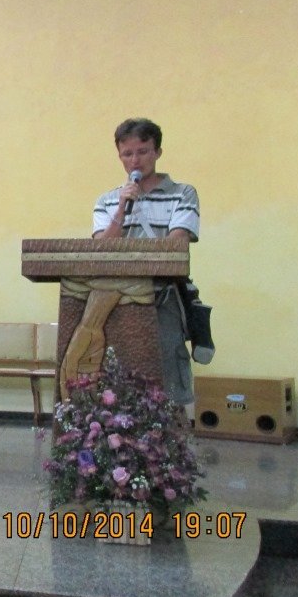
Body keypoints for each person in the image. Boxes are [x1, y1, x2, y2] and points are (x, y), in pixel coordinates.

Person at [92, 118, 199, 405]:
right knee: (121, 379)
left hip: (162, 299)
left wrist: (132, 256)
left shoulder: (182, 194)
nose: (135, 160)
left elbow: (175, 247)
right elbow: (101, 252)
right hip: (117, 302)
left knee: (168, 380)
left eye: (143, 151)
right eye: (127, 154)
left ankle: (174, 432)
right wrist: (122, 209)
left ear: (157, 152)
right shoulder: (106, 201)